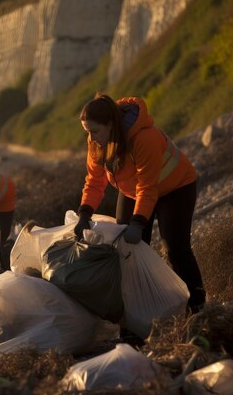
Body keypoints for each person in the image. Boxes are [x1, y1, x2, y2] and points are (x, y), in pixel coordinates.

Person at [74, 93, 206, 313]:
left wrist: (137, 223)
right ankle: (141, 311)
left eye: (94, 131)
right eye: (87, 131)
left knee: (175, 248)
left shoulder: (145, 138)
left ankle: (198, 307)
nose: (91, 137)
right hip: (134, 190)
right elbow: (94, 181)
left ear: (110, 125)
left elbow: (148, 187)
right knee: (126, 252)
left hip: (176, 188)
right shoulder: (96, 141)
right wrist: (84, 213)